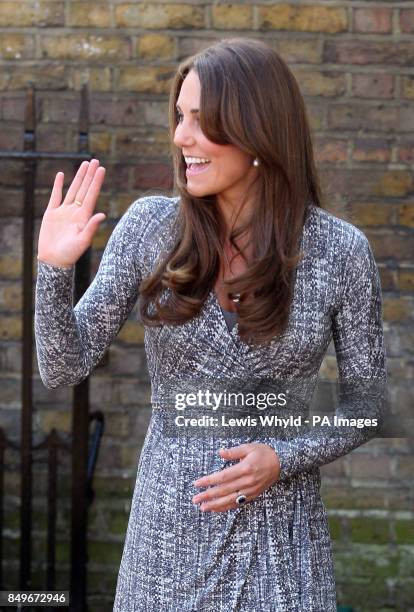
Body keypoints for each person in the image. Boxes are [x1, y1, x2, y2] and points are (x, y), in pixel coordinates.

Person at [35, 38, 387, 611]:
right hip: (167, 545)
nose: (180, 138)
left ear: (258, 131)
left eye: (201, 121)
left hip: (282, 548)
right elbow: (61, 365)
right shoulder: (152, 227)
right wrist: (54, 268)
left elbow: (367, 404)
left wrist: (283, 456)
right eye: (179, 117)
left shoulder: (338, 250)